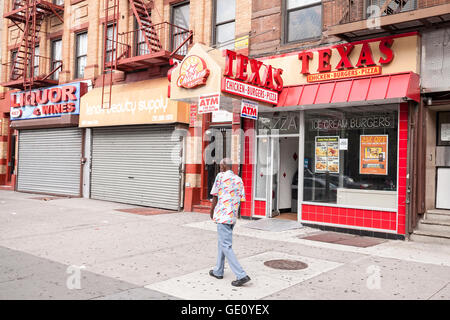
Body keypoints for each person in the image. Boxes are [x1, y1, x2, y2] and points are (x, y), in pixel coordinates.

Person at [209, 158, 251, 287]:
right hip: (232, 216)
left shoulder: (220, 176)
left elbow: (215, 195)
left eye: (221, 165)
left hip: (222, 216)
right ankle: (218, 270)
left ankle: (241, 274)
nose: (220, 167)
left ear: (224, 166)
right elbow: (241, 199)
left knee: (226, 245)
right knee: (222, 243)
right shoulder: (239, 179)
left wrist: (212, 211)